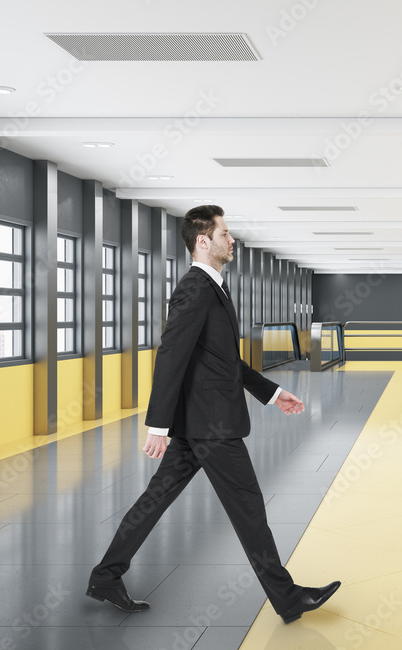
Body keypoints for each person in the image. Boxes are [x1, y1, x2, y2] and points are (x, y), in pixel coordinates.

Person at [87, 205, 339, 623]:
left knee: (155, 499)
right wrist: (158, 425)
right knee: (249, 508)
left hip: (199, 423)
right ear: (203, 241)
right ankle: (288, 598)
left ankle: (105, 576)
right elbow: (171, 355)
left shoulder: (214, 287)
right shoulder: (195, 288)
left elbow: (224, 361)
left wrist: (273, 393)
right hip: (211, 427)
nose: (232, 239)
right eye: (225, 233)